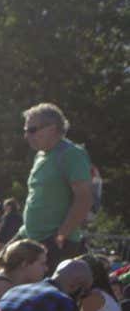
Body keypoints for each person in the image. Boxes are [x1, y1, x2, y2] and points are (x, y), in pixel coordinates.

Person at [18, 103, 93, 269]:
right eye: (25, 130)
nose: (26, 136)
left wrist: (61, 236)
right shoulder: (40, 155)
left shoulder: (71, 154)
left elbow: (84, 198)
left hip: (57, 244)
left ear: (52, 129)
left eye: (31, 130)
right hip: (31, 239)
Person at [0, 238, 47, 303]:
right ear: (24, 264)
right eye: (42, 264)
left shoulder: (1, 279)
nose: (46, 269)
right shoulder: (2, 288)